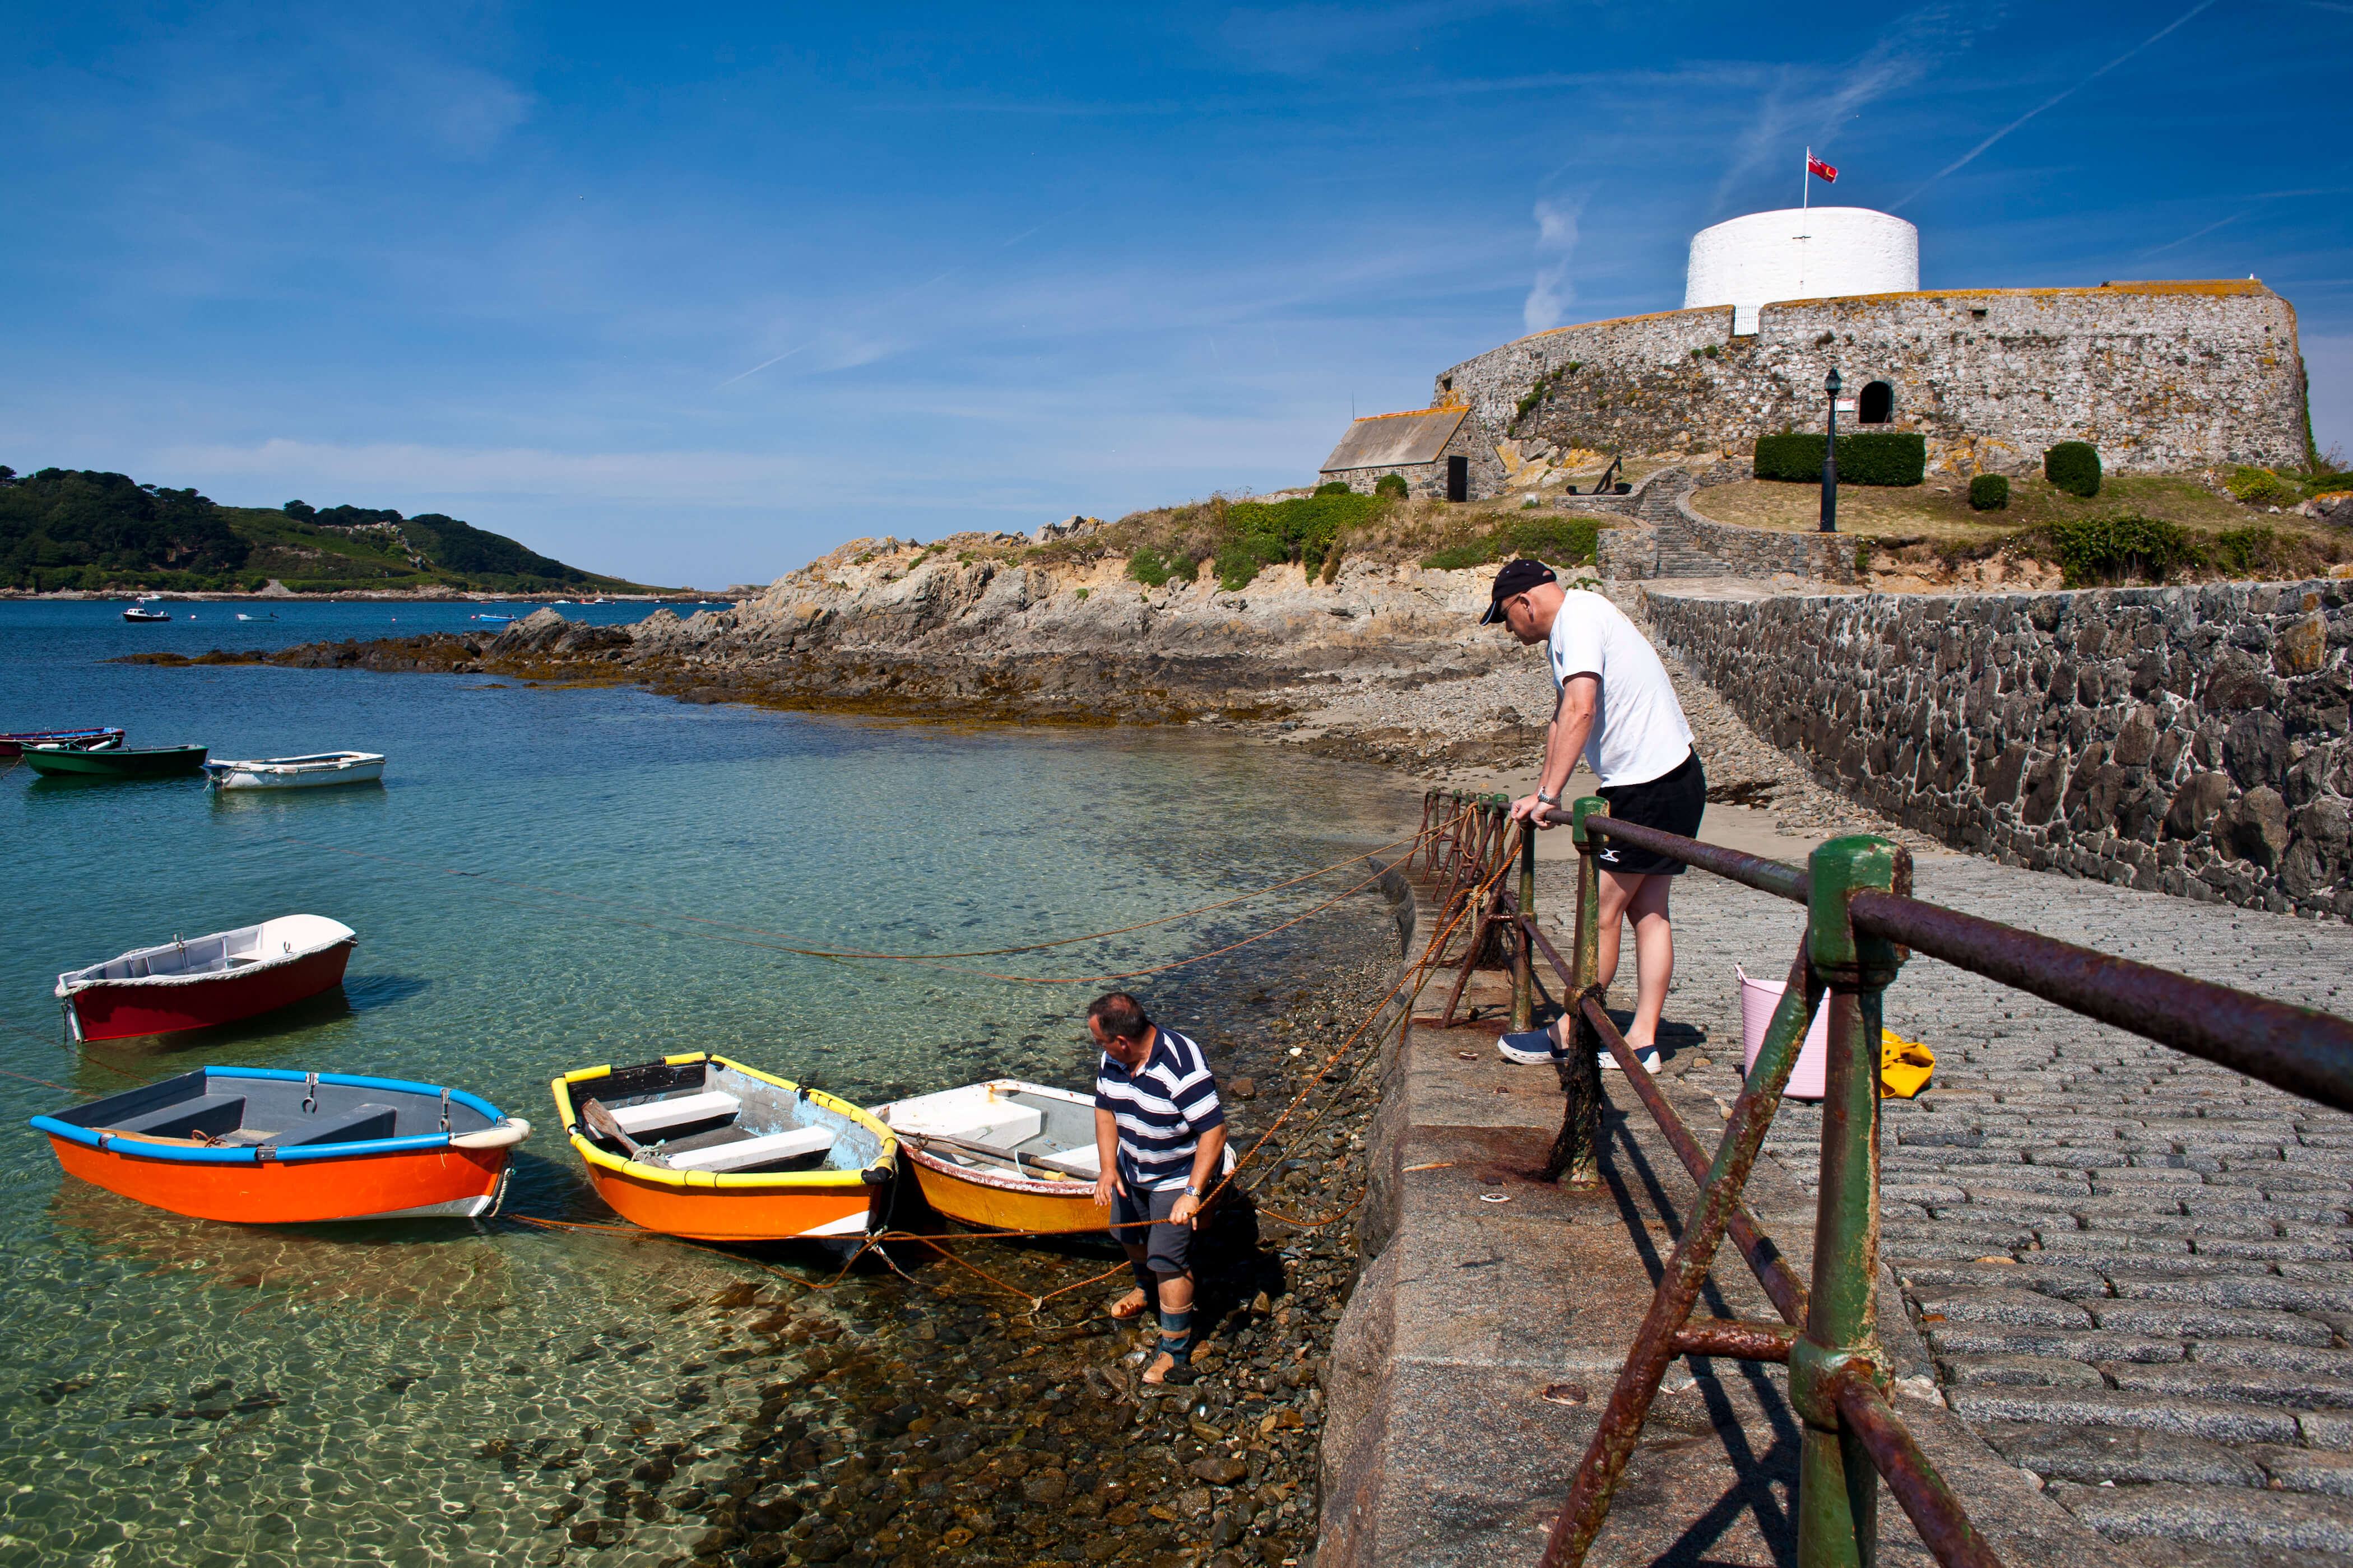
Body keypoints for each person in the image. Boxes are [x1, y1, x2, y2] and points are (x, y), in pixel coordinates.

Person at [1480, 558, 1706, 1074]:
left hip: (1650, 783)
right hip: (1667, 778)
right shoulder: (1579, 621)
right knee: (1647, 911)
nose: (1509, 631)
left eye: (1505, 619)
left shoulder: (1577, 621)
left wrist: (1551, 792)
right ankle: (1643, 1040)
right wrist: (1542, 792)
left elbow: (1582, 709)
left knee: (1599, 910)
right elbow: (1562, 718)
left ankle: (1569, 1031)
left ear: (1525, 603)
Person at [1088, 990, 1228, 1385]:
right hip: (1132, 1167)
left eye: (1101, 1041)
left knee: (1169, 1260)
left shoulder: (1180, 1067)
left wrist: (1193, 1192)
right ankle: (1143, 1287)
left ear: (1122, 1041)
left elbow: (1214, 1132)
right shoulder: (1113, 1058)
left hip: (1175, 1175)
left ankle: (1174, 1349)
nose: (1098, 1049)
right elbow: (1104, 1110)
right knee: (1128, 1235)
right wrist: (1106, 1168)